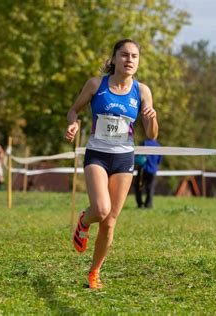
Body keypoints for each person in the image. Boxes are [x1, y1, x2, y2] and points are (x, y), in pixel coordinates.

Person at [65, 39, 158, 289]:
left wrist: (151, 117)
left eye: (134, 56)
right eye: (125, 55)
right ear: (114, 58)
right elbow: (73, 111)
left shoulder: (142, 91)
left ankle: (94, 272)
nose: (130, 60)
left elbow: (152, 135)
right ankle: (84, 221)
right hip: (97, 153)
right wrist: (73, 124)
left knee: (110, 222)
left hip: (124, 156)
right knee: (101, 209)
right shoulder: (97, 84)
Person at [134, 139, 162, 208]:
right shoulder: (158, 146)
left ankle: (140, 204)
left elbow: (137, 154)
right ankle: (148, 204)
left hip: (142, 169)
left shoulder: (144, 143)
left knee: (139, 186)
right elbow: (159, 160)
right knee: (150, 188)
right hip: (152, 169)